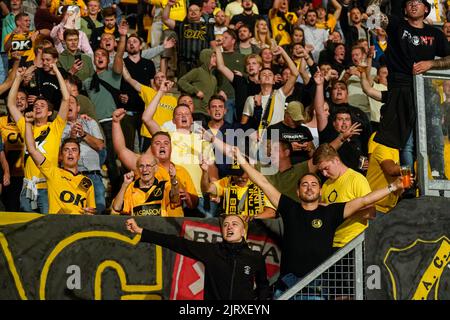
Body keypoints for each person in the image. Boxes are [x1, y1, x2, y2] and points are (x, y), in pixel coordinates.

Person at [231, 146, 408, 299]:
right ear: (297, 192)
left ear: (320, 190)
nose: (309, 187)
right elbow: (263, 182)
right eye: (305, 185)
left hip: (318, 286)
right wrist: (241, 160)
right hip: (287, 285)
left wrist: (394, 186)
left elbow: (364, 201)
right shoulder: (289, 207)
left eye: (314, 184)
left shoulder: (331, 211)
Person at [369, 0, 450, 185]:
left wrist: (432, 64)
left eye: (418, 2)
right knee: (407, 142)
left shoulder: (434, 34)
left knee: (434, 136)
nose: (414, 5)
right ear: (404, 9)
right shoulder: (397, 25)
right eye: (410, 3)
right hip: (401, 89)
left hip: (426, 89)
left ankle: (439, 179)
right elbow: (372, 18)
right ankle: (409, 185)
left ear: (426, 9)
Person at [125, 214, 271, 300]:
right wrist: (141, 231)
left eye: (234, 224)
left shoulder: (254, 257)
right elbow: (177, 243)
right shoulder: (212, 251)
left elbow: (263, 286)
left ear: (243, 231)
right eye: (225, 225)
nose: (229, 227)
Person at [7, 64, 69, 213]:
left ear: (49, 113)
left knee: (48, 228)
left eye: (42, 105)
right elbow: (10, 104)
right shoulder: (26, 125)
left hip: (47, 186)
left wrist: (57, 72)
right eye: (35, 106)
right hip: (27, 187)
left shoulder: (55, 127)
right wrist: (18, 79)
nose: (38, 107)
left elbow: (66, 99)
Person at [24, 110, 96, 214]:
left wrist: (90, 212)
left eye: (74, 150)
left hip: (78, 226)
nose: (70, 153)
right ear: (61, 156)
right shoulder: (52, 172)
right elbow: (32, 149)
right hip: (58, 225)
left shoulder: (87, 182)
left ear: (79, 155)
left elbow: (92, 210)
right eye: (66, 150)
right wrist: (27, 123)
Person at [62, 95, 106, 214]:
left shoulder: (89, 122)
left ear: (78, 108)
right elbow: (57, 154)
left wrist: (83, 134)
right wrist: (70, 137)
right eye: (66, 103)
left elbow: (100, 146)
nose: (69, 105)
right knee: (75, 212)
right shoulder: (58, 127)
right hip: (71, 178)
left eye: (72, 103)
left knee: (98, 210)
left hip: (92, 176)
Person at [112, 153, 181, 216]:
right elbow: (117, 207)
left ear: (155, 169)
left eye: (148, 166)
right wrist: (125, 184)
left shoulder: (164, 185)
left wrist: (173, 179)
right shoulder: (131, 187)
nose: (144, 169)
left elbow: (175, 199)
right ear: (137, 169)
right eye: (141, 166)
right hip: (138, 228)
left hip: (159, 228)